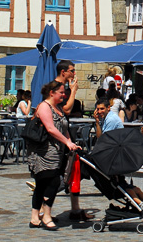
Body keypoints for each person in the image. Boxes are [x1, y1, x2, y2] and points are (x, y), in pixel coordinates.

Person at [25, 81, 81, 231]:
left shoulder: (58, 108)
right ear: (52, 93)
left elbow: (64, 128)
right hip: (43, 152)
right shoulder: (44, 106)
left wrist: (70, 142)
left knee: (43, 184)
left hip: (56, 152)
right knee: (52, 182)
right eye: (61, 92)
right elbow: (50, 128)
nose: (64, 95)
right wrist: (66, 142)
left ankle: (35, 217)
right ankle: (46, 216)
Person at [94, 99, 143, 211]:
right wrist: (97, 123)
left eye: (102, 108)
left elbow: (101, 139)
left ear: (109, 107)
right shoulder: (105, 119)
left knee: (122, 185)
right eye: (98, 109)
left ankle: (141, 203)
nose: (99, 111)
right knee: (125, 184)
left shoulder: (111, 120)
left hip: (116, 154)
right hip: (116, 152)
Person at [52, 61, 91, 222]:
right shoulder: (55, 88)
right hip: (57, 137)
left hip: (66, 134)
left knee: (76, 168)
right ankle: (42, 209)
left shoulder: (63, 88)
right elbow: (66, 109)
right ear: (63, 72)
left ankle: (75, 208)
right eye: (72, 71)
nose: (74, 73)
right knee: (57, 173)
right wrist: (74, 91)